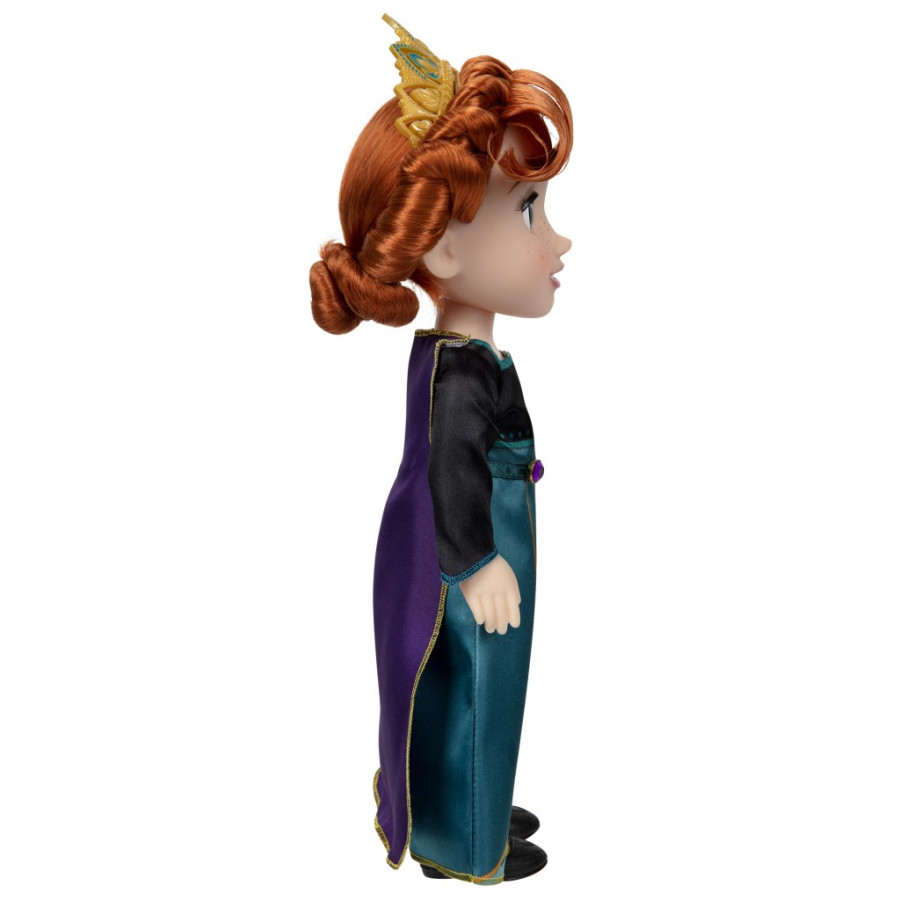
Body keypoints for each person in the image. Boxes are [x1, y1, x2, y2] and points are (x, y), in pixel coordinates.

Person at [309, 15, 572, 884]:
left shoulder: (466, 358)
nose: (557, 239)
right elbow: (452, 467)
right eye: (527, 211)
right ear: (448, 248)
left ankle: (469, 809)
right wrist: (477, 560)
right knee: (476, 684)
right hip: (474, 547)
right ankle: (466, 843)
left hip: (483, 535)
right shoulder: (459, 371)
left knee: (479, 687)